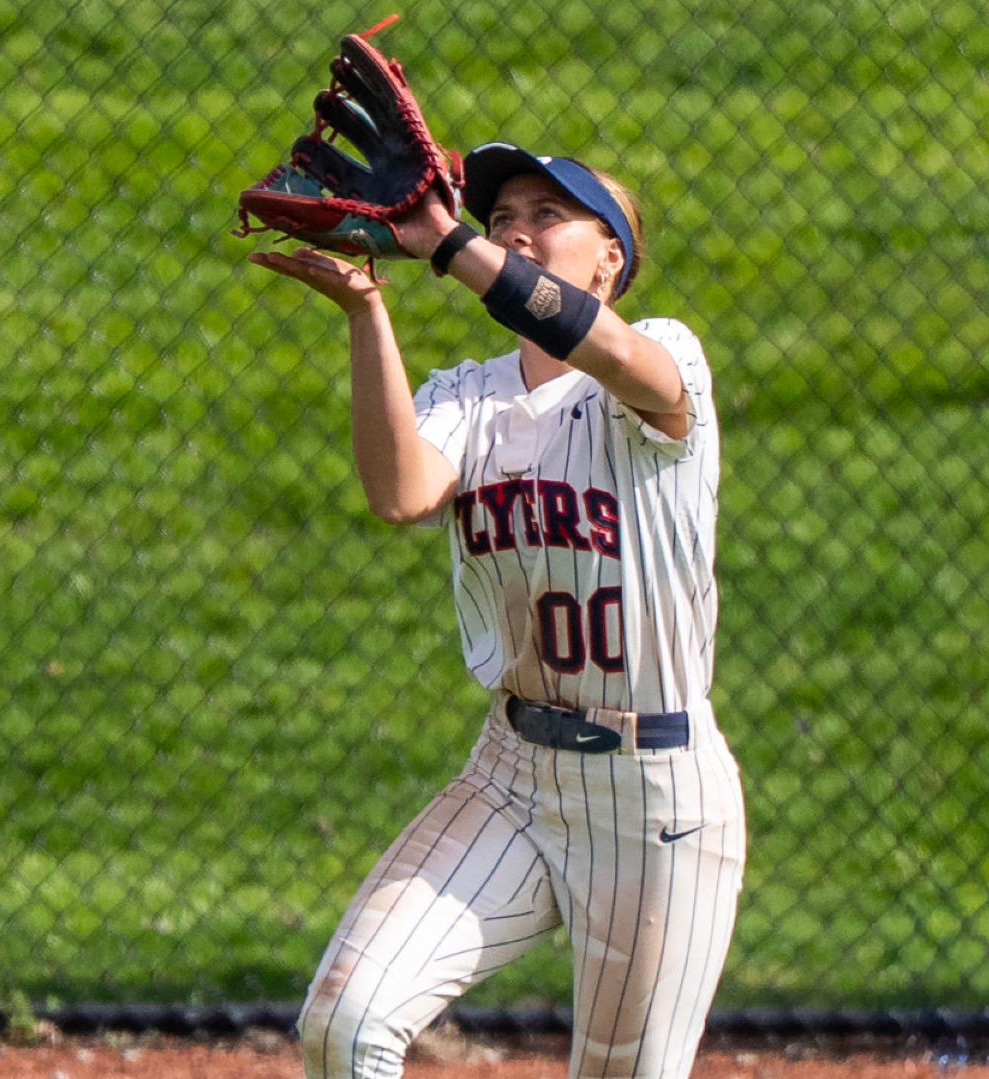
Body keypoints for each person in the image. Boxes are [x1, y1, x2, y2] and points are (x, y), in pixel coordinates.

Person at [248, 142, 746, 1079]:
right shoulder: (469, 397)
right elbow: (400, 491)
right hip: (511, 776)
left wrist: (448, 246)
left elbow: (610, 350)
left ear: (610, 258)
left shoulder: (663, 360)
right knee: (345, 1023)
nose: (516, 225)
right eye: (502, 213)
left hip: (659, 798)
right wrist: (367, 310)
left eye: (548, 214)